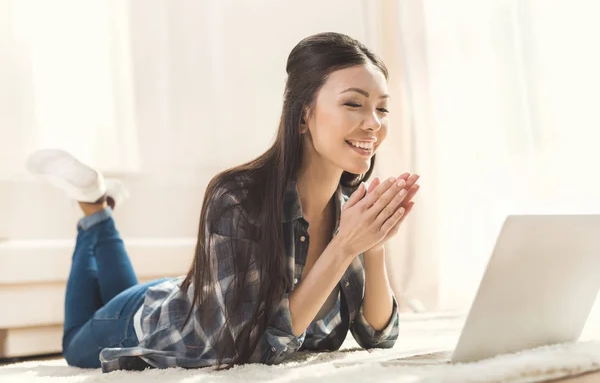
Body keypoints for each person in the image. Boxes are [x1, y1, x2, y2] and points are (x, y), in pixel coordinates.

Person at [25, 32, 420, 372]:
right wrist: (345, 246)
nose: (374, 122)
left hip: (201, 290)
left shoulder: (351, 208)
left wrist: (375, 244)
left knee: (112, 295)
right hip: (156, 318)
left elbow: (377, 335)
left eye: (382, 107)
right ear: (304, 115)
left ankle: (100, 204)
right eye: (354, 103)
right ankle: (95, 209)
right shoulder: (236, 197)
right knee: (76, 344)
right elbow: (244, 350)